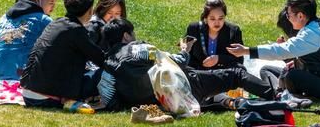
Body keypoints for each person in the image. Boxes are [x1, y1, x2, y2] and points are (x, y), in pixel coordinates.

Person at [97, 18, 274, 111]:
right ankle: (277, 95)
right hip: (183, 88)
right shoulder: (137, 49)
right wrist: (185, 50)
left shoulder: (107, 68)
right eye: (132, 34)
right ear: (126, 36)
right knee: (236, 74)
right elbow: (175, 63)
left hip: (161, 104)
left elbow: (112, 103)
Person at [227, 0, 320, 101]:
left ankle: (283, 93)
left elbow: (282, 50)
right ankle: (278, 91)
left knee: (292, 76)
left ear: (300, 16)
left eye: (289, 15)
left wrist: (246, 51)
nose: (288, 18)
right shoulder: (318, 25)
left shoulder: (311, 34)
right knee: (266, 69)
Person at [20, 0, 105, 109]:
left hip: (28, 94)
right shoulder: (76, 31)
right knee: (98, 74)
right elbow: (101, 59)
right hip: (47, 98)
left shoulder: (55, 23)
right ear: (90, 11)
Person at [0, 0, 58, 81]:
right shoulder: (43, 20)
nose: (53, 6)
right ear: (39, 0)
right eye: (49, 1)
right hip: (22, 80)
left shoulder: (4, 18)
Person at [185, 0, 243, 70]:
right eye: (212, 19)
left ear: (225, 17)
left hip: (223, 73)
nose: (217, 23)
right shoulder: (194, 29)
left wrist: (219, 59)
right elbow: (187, 56)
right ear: (205, 18)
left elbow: (239, 60)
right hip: (198, 73)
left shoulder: (233, 31)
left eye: (221, 18)